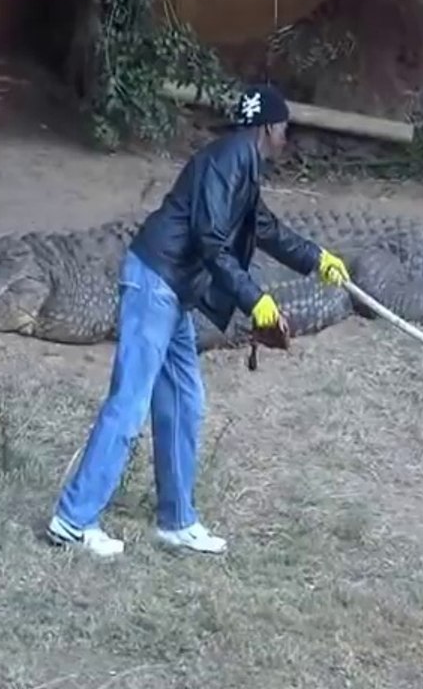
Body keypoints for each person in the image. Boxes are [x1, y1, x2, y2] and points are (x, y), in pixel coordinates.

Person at [45, 83, 351, 558]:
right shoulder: (228, 161)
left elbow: (262, 228)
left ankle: (177, 521)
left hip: (175, 293)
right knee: (129, 404)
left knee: (185, 402)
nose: (286, 139)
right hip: (154, 283)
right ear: (268, 128)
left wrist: (318, 258)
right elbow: (211, 240)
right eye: (284, 129)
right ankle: (73, 519)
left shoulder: (242, 164)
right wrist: (255, 301)